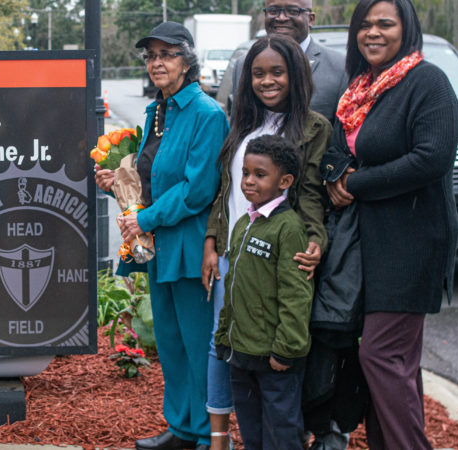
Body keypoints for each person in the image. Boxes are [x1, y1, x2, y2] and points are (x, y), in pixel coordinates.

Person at [324, 0, 458, 448]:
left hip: (413, 242)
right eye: (365, 25)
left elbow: (431, 158)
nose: (373, 33)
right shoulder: (361, 88)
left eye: (385, 23)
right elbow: (342, 148)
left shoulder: (428, 82)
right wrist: (335, 177)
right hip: (367, 243)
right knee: (394, 362)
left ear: (407, 28)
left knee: (380, 354)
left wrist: (358, 183)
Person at [95, 22, 229, 450]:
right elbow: (150, 173)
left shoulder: (207, 115)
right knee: (169, 345)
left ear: (188, 61)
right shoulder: (157, 111)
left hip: (190, 248)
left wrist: (146, 218)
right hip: (157, 247)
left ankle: (209, 436)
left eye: (167, 54)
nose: (157, 62)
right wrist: (117, 179)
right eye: (151, 55)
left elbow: (198, 189)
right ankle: (181, 430)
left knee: (196, 346)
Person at [201, 34, 330, 450]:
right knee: (229, 349)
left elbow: (310, 192)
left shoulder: (313, 126)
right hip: (233, 252)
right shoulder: (241, 122)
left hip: (275, 254)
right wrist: (211, 240)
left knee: (275, 367)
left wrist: (315, 238)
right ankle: (224, 439)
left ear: (295, 75)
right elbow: (225, 190)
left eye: (277, 72)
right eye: (258, 73)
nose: (267, 81)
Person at [214, 134, 314, 449]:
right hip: (241, 354)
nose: (248, 182)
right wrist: (223, 335)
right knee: (252, 433)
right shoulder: (245, 222)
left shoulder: (288, 228)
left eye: (260, 175)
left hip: (275, 360)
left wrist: (286, 349)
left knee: (282, 434)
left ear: (285, 181)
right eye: (245, 173)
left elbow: (296, 295)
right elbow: (232, 287)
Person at [218, 0, 347, 122]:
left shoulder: (340, 67)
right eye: (273, 11)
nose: (281, 18)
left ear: (311, 19)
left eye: (293, 11)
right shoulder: (243, 64)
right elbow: (238, 128)